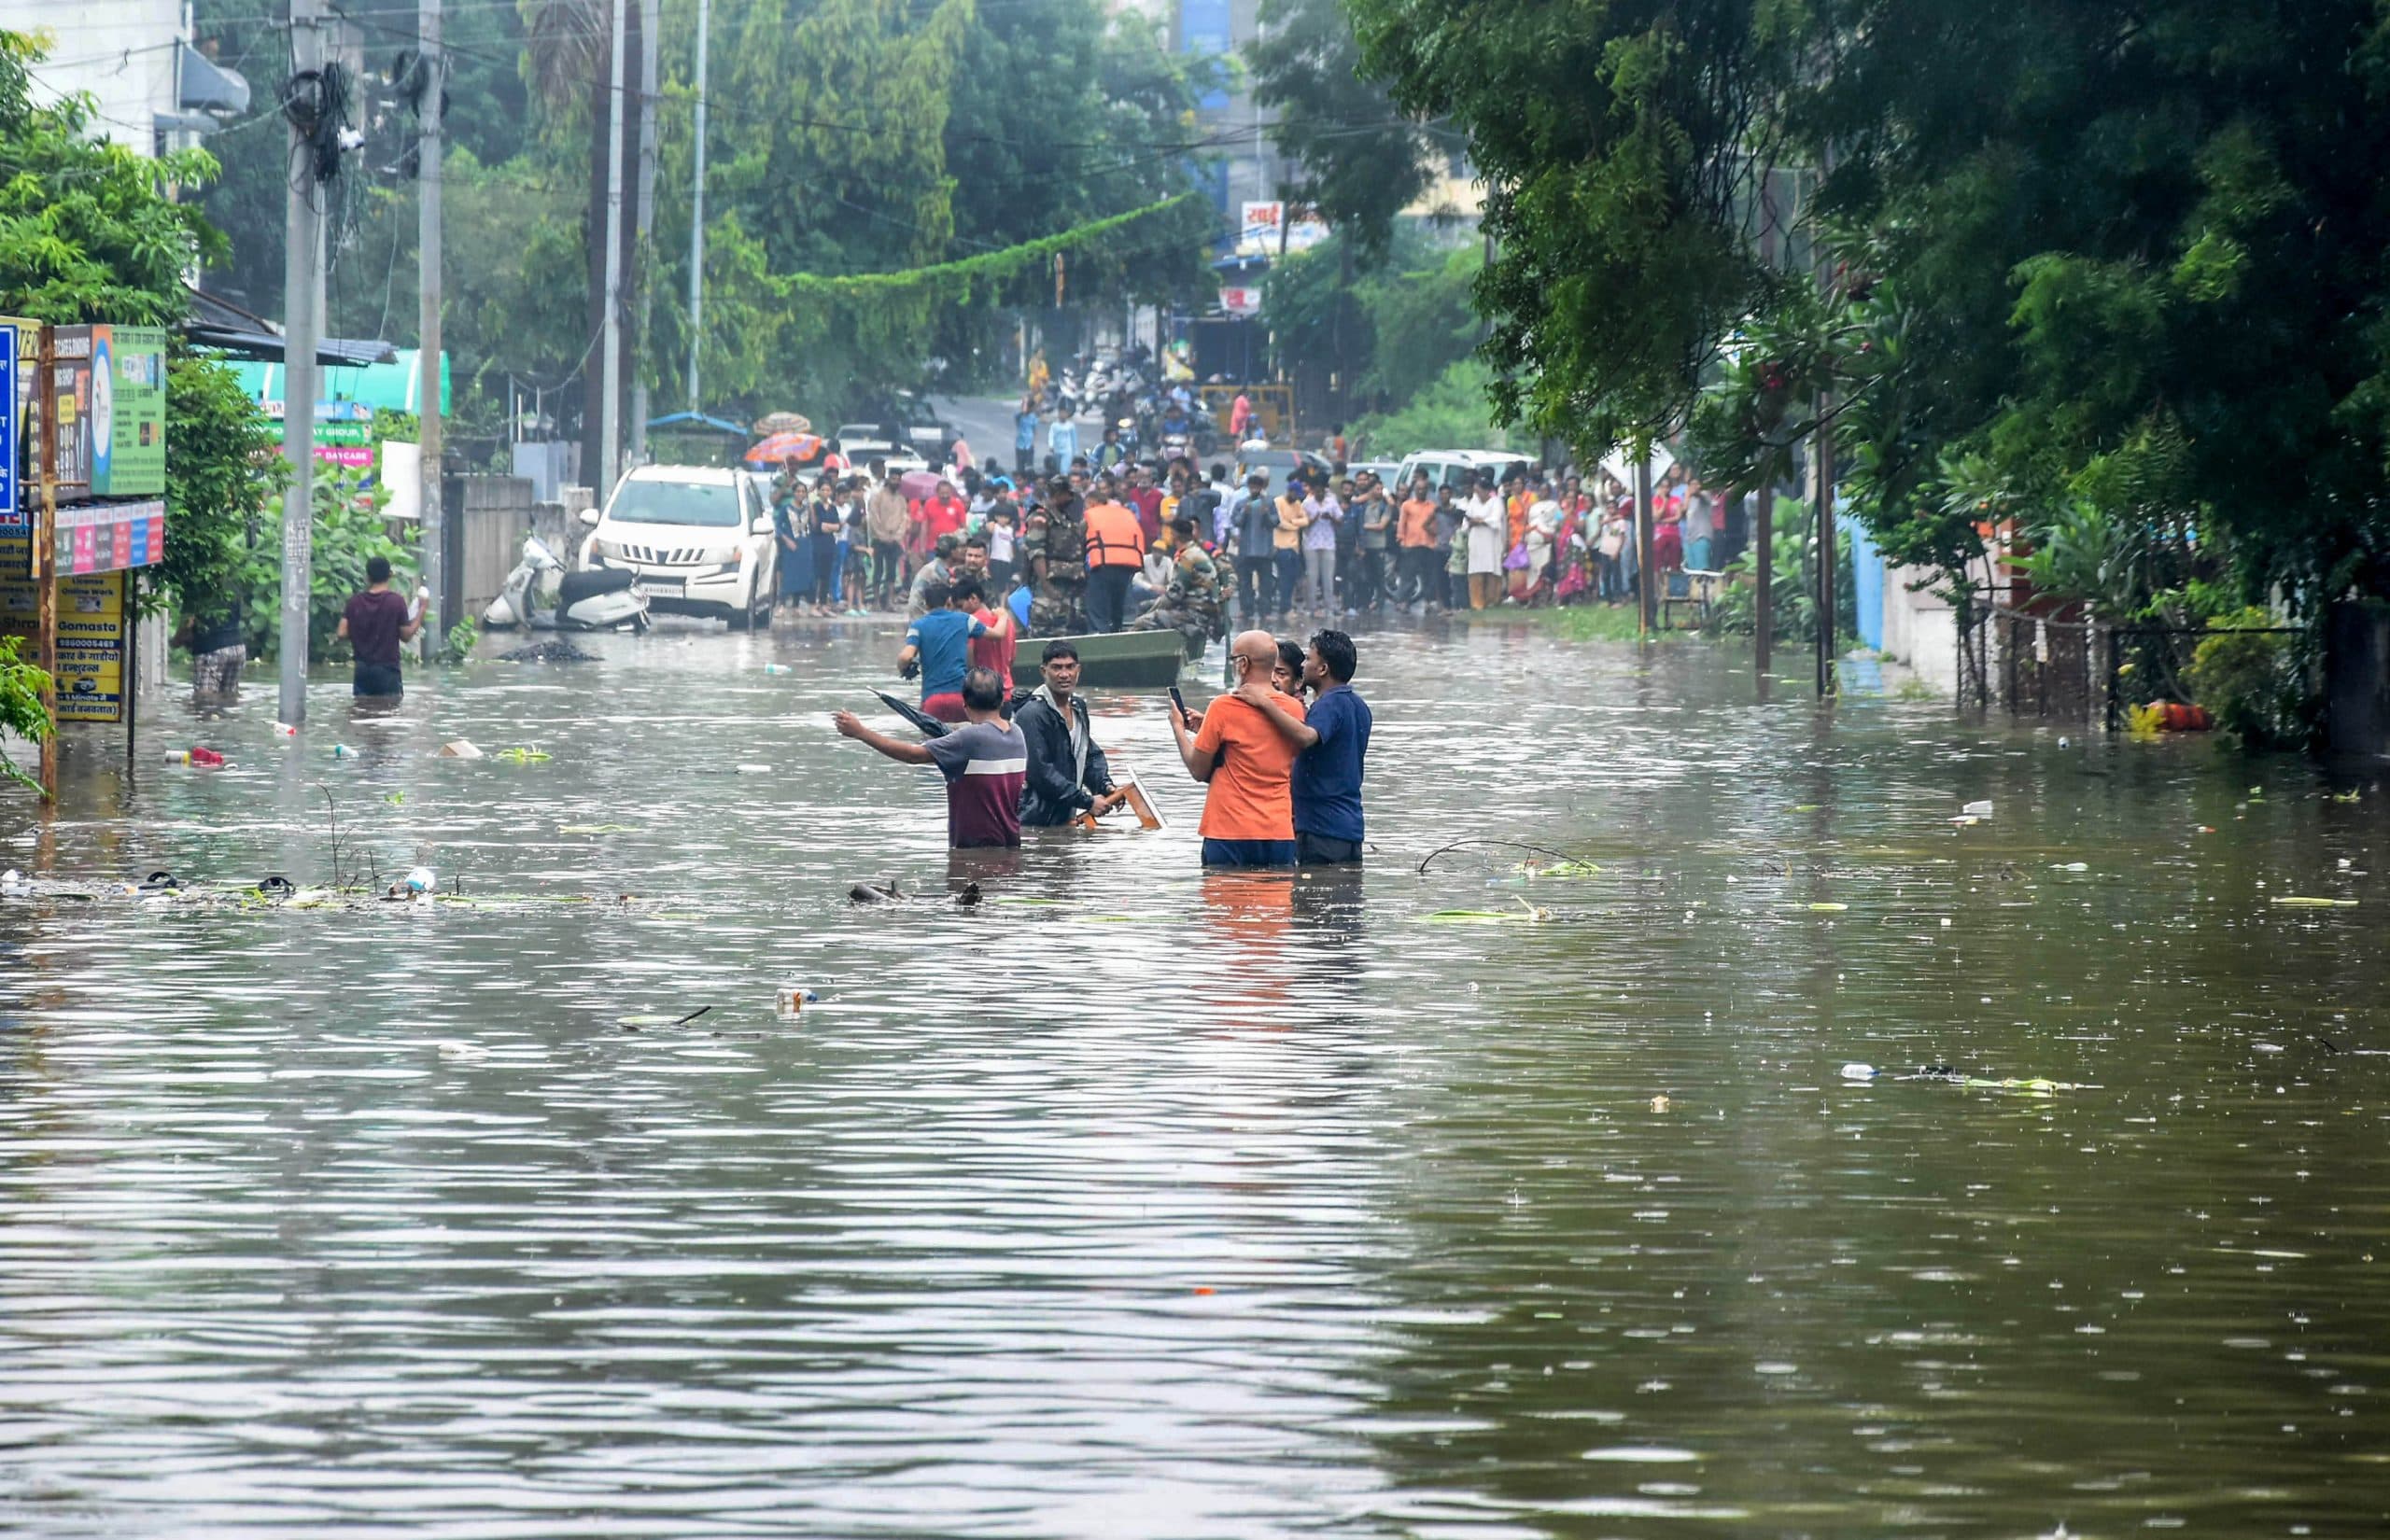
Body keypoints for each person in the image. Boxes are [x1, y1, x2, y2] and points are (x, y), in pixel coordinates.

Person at [832, 666, 1026, 849]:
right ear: (1002, 700)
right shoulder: (1016, 734)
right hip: (1011, 848)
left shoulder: (969, 738)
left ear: (964, 703)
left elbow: (912, 755)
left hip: (974, 851)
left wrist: (861, 732)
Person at [1167, 629, 1306, 868]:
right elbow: (1257, 744)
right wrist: (1206, 728)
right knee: (1274, 904)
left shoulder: (1223, 707)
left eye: (1233, 660)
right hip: (1277, 830)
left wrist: (1178, 727)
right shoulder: (1293, 709)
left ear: (1243, 664)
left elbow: (1198, 770)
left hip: (1228, 830)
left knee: (1226, 901)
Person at [1241, 629, 1370, 865]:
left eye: (1309, 659)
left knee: (1313, 900)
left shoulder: (1330, 703)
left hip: (1321, 829)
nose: (1304, 664)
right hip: (1348, 827)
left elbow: (1305, 737)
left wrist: (1264, 703)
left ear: (1323, 669)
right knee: (1342, 897)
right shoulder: (1358, 705)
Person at [1012, 640, 1129, 826]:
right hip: (1033, 820)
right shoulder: (1031, 714)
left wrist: (1105, 786)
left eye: (1070, 667)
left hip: (1063, 817)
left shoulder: (1078, 707)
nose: (1064, 674)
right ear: (1044, 671)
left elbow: (1088, 755)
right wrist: (1087, 801)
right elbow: (1040, 772)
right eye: (1056, 668)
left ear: (1078, 670)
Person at [900, 578, 1011, 721]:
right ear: (949, 601)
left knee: (932, 742)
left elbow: (906, 657)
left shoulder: (918, 626)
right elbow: (998, 634)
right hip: (962, 699)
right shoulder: (964, 620)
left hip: (932, 699)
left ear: (926, 604)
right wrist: (1003, 616)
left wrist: (903, 668)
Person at [1125, 514, 1224, 653]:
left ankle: (1133, 654)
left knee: (1141, 622)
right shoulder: (1196, 553)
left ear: (1175, 535)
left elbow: (1173, 596)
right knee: (1144, 607)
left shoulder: (1187, 558)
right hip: (1201, 611)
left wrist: (1150, 613)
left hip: (1195, 615)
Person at [336, 556, 419, 699]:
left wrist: (361, 631)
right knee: (389, 712)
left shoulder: (354, 602)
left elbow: (341, 632)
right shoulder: (396, 602)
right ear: (390, 575)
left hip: (362, 670)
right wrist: (422, 610)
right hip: (387, 670)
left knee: (362, 711)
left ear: (367, 577)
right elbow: (406, 636)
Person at [1081, 478, 1146, 634]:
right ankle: (1118, 632)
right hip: (1127, 567)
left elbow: (1080, 543)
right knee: (1118, 607)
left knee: (1098, 609)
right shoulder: (1125, 514)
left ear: (1092, 503)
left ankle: (1099, 638)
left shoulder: (1091, 516)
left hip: (1102, 566)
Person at [176, 596, 246, 707]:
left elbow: (188, 624)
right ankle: (229, 722)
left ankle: (207, 722)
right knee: (229, 696)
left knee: (204, 700)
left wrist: (175, 642)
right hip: (238, 648)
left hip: (211, 650)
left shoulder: (196, 591)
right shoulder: (231, 587)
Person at [1230, 469, 1276, 623]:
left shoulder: (1269, 502)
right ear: (1249, 487)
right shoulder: (1242, 503)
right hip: (1246, 550)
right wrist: (1245, 512)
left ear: (1262, 487)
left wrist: (1266, 514)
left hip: (1264, 551)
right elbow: (1235, 521)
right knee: (1244, 583)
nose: (1255, 489)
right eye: (1252, 486)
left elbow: (1275, 522)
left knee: (1265, 584)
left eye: (1258, 486)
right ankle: (1246, 609)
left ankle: (1265, 611)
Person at [865, 471, 910, 609]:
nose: (895, 481)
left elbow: (904, 519)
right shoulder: (877, 496)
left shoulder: (901, 499)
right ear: (888, 479)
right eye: (893, 478)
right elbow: (873, 517)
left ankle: (890, 601)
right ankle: (876, 602)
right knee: (878, 571)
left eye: (898, 479)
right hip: (879, 539)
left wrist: (896, 536)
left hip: (895, 539)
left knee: (891, 572)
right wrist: (883, 536)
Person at [1397, 476, 1441, 609]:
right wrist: (1401, 539)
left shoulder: (1433, 507)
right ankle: (1403, 602)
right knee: (1408, 576)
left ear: (1427, 490)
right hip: (1411, 544)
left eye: (1424, 489)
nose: (1421, 491)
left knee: (1428, 576)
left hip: (1428, 545)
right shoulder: (1407, 505)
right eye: (1418, 489)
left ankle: (1428, 602)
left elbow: (1436, 525)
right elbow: (1402, 523)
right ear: (1414, 490)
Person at [1462, 474, 1505, 609]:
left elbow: (1495, 521)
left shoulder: (1496, 502)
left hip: (1491, 545)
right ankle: (1477, 604)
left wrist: (1480, 521)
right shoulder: (1473, 503)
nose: (1477, 494)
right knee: (1476, 573)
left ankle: (1491, 602)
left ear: (1486, 491)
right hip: (1476, 544)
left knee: (1491, 572)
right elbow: (1465, 524)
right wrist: (1472, 522)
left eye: (1479, 491)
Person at [1273, 477, 1311, 622]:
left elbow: (1305, 520)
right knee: (1284, 579)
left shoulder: (1297, 504)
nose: (1296, 497)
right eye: (1295, 493)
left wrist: (1293, 522)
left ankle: (1287, 606)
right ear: (1290, 491)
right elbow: (1280, 523)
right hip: (1280, 546)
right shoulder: (1278, 502)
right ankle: (1284, 607)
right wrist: (1294, 525)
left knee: (1291, 578)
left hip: (1294, 547)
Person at [907, 532, 964, 621]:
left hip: (919, 618)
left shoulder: (933, 567)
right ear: (953, 552)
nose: (962, 551)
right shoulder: (939, 572)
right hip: (925, 619)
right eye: (958, 548)